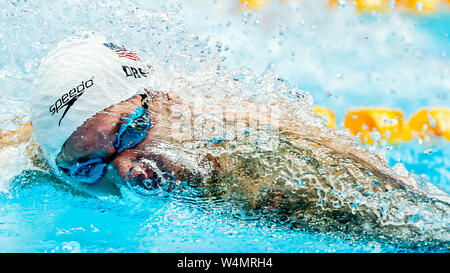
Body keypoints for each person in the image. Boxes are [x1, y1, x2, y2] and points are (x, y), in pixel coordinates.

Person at [4, 35, 448, 240]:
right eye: (88, 167)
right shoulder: (49, 159)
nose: (129, 170)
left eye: (132, 131)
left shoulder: (254, 159)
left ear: (164, 101)